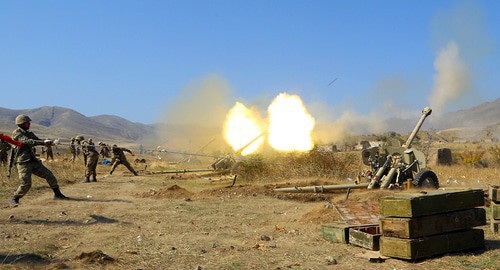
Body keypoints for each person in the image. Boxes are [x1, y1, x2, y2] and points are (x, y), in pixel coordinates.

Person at [10, 114, 68, 205]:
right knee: (26, 183)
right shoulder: (17, 133)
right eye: (27, 122)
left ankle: (58, 194)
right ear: (21, 123)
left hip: (33, 161)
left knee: (49, 174)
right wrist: (43, 142)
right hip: (23, 162)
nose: (29, 124)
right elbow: (28, 141)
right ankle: (15, 198)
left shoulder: (29, 133)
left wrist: (51, 143)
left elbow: (38, 140)